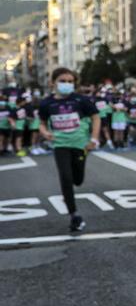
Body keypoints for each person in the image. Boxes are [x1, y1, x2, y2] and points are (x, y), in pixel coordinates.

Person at [37, 68, 101, 233]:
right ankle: (74, 215)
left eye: (70, 81)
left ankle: (74, 186)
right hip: (60, 145)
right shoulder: (46, 103)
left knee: (77, 180)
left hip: (80, 145)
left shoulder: (81, 100)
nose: (67, 84)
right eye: (63, 81)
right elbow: (42, 123)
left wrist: (93, 139)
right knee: (65, 178)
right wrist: (45, 133)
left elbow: (96, 117)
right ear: (53, 82)